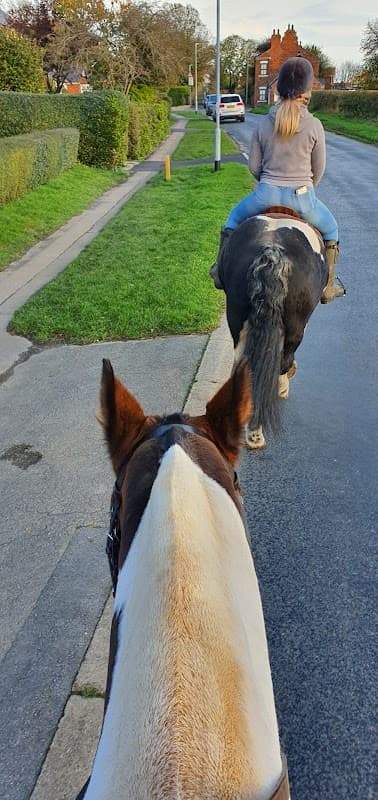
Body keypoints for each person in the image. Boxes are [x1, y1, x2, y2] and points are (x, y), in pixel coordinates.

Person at [210, 56, 345, 303]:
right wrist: (306, 189)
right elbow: (320, 169)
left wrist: (267, 183)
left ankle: (220, 272)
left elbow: (253, 166)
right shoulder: (315, 125)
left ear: (279, 88)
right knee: (332, 229)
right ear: (307, 90)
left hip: (265, 193)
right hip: (303, 197)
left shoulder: (263, 123)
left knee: (232, 220)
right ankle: (328, 286)